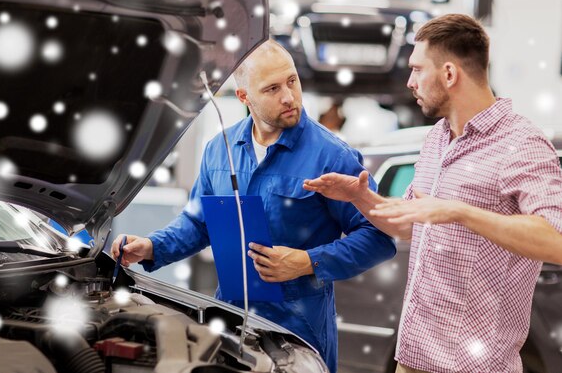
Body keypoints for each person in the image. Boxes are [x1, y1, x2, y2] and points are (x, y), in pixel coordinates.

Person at [111, 39, 396, 372]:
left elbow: (379, 238)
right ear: (244, 97)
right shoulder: (221, 150)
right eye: (272, 88)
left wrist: (308, 262)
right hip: (230, 322)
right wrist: (151, 247)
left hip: (300, 334)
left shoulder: (332, 156)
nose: (289, 96)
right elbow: (199, 223)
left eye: (292, 81)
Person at [303, 14, 562, 373]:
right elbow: (413, 223)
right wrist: (362, 198)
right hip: (412, 359)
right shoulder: (436, 138)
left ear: (450, 74)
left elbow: (556, 241)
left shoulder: (522, 145)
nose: (409, 82)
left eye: (417, 69)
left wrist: (461, 212)